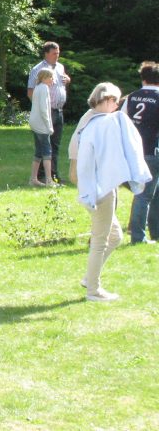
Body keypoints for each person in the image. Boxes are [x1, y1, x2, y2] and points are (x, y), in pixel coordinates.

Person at [71, 83, 152, 301]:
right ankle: (93, 290)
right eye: (116, 102)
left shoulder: (89, 122)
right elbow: (119, 152)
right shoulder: (106, 124)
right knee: (100, 240)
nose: (118, 106)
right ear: (106, 100)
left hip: (95, 186)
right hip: (101, 189)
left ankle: (90, 277)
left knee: (115, 235)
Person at [123, 62, 159, 244]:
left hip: (135, 151)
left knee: (153, 192)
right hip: (153, 150)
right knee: (144, 195)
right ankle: (138, 237)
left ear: (142, 78)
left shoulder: (131, 97)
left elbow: (121, 122)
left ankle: (156, 232)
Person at [27, 42, 71, 184]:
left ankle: (53, 174)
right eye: (54, 53)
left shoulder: (60, 67)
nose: (57, 56)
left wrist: (67, 80)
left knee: (55, 145)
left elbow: (61, 82)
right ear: (46, 53)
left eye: (58, 53)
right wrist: (39, 109)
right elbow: (31, 92)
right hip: (47, 111)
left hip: (59, 110)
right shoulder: (38, 69)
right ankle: (42, 176)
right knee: (45, 145)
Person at [28, 69, 55, 187]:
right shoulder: (44, 88)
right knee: (47, 151)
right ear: (44, 78)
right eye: (51, 77)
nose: (52, 80)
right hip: (41, 124)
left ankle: (33, 178)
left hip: (34, 123)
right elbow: (44, 109)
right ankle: (49, 180)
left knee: (38, 151)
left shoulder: (38, 87)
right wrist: (49, 126)